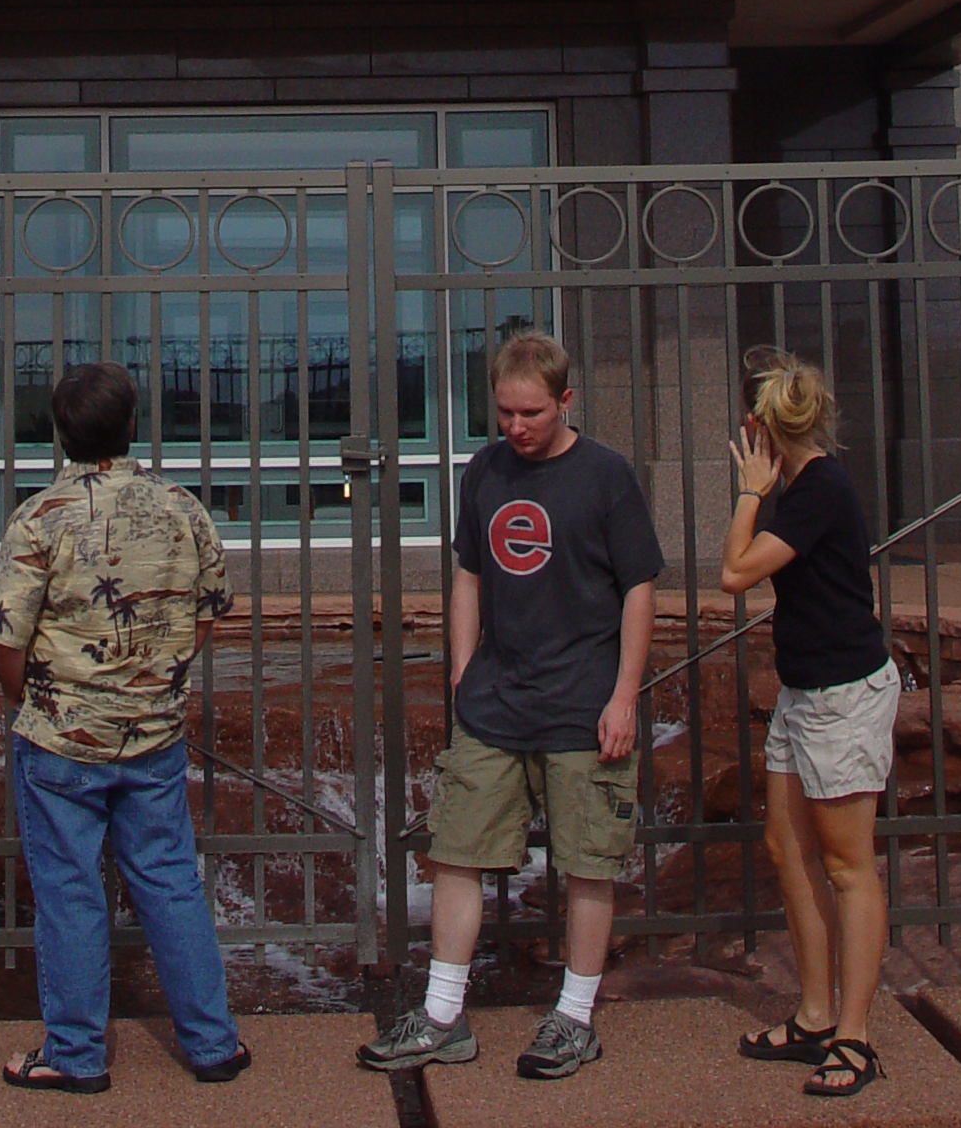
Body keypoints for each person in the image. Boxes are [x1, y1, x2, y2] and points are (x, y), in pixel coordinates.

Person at [357, 330, 662, 1083]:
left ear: (565, 400)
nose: (516, 427)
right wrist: (463, 670)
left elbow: (640, 590)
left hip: (584, 706)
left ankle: (575, 1018)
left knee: (587, 865)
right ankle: (441, 1016)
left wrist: (625, 696)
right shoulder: (485, 470)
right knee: (456, 853)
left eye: (530, 412)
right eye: (504, 413)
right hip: (496, 699)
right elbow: (467, 574)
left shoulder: (607, 476)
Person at [0, 360, 250, 1095]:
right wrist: (156, 672)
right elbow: (207, 612)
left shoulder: (38, 519)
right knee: (170, 883)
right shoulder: (182, 509)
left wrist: (31, 703)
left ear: (59, 434)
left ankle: (76, 1054)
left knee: (70, 894)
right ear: (132, 425)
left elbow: (5, 640)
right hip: (153, 734)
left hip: (60, 740)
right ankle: (212, 1044)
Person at [722, 352, 899, 1100]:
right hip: (805, 693)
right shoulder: (805, 486)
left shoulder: (815, 487)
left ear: (759, 426)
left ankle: (855, 1040)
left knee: (848, 865)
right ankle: (815, 1013)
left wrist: (746, 494)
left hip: (843, 696)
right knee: (785, 845)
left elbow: (735, 573)